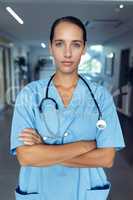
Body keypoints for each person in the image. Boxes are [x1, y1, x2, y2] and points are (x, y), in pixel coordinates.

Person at [10, 16, 125, 200]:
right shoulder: (29, 95)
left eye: (76, 44)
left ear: (84, 49)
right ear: (51, 47)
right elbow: (26, 157)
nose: (68, 53)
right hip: (39, 190)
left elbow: (106, 159)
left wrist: (44, 151)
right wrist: (86, 146)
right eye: (60, 43)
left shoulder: (102, 97)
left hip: (85, 191)